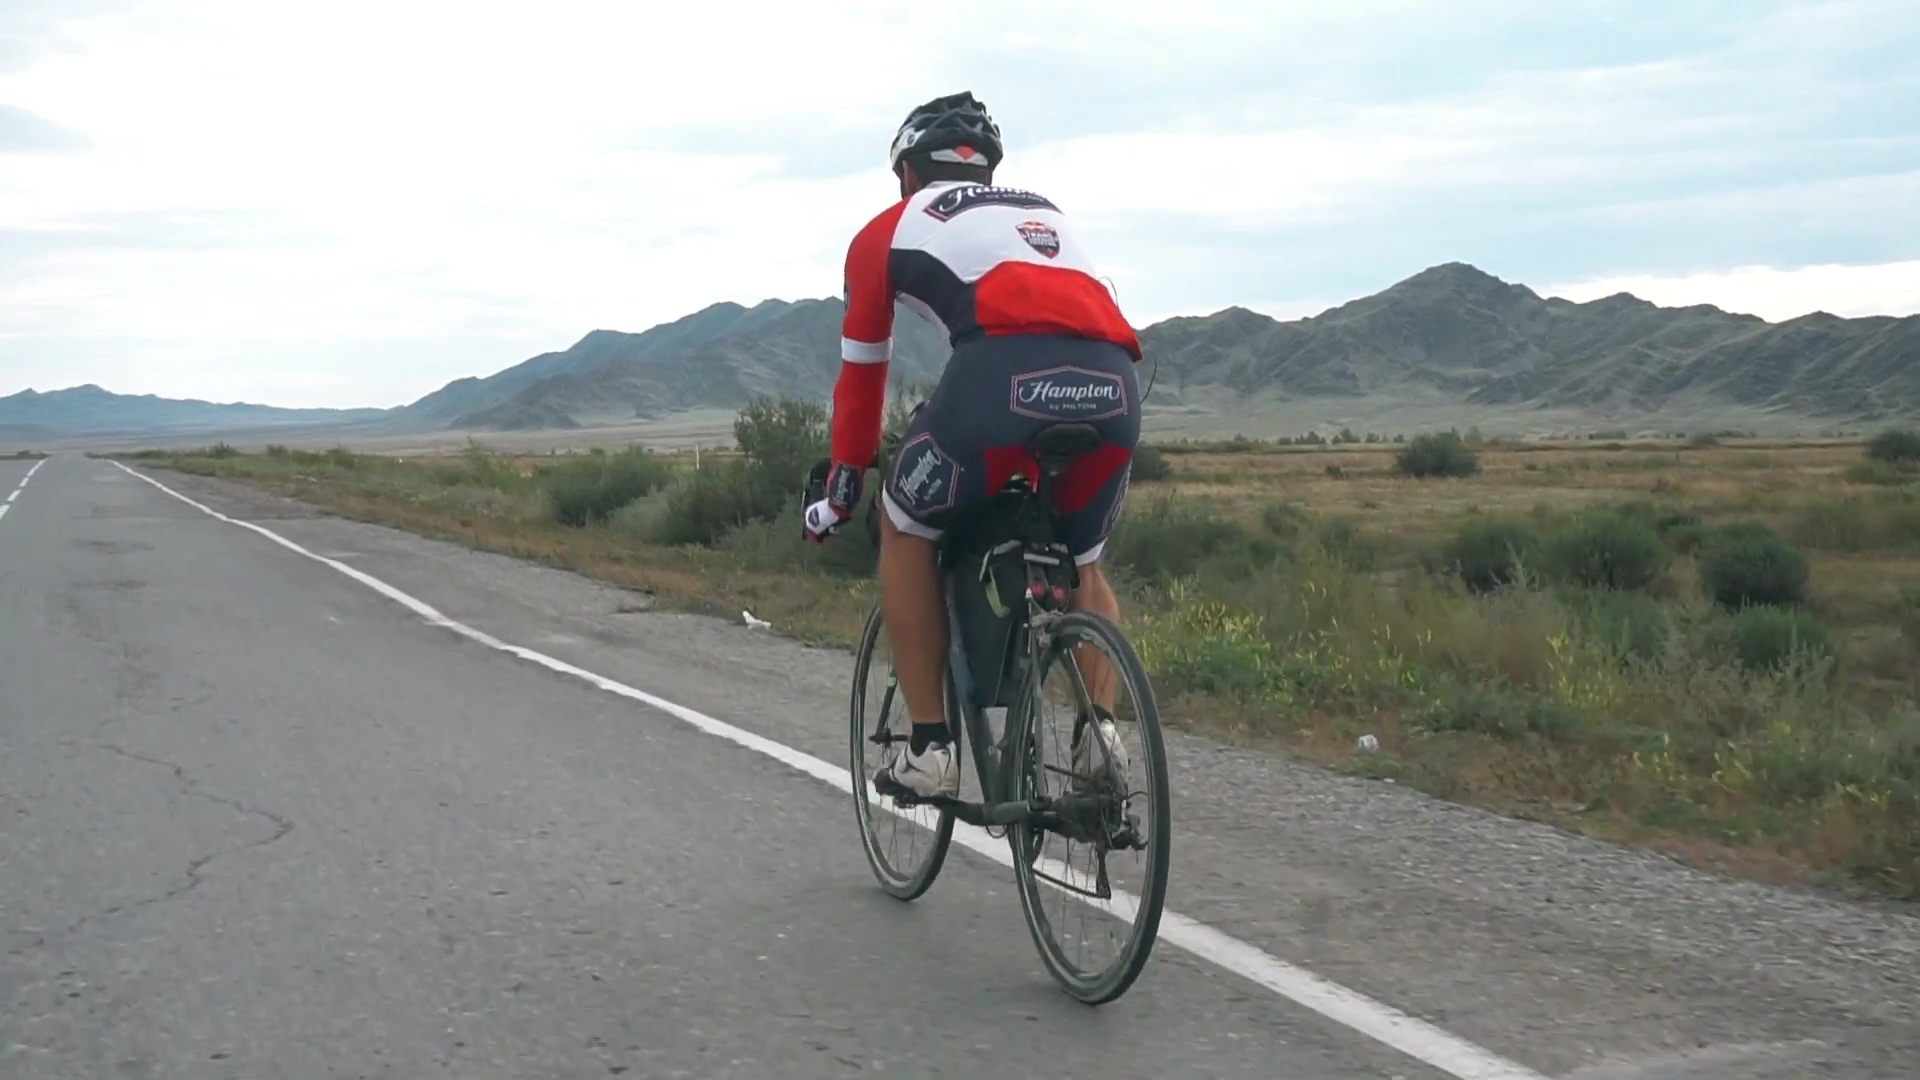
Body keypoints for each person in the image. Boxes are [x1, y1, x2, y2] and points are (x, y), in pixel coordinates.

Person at [802, 91, 1141, 800]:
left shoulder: (887, 230)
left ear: (906, 173)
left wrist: (841, 492)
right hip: (1114, 384)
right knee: (1084, 561)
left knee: (905, 524)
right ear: (986, 172)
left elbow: (862, 377)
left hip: (1000, 380)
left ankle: (930, 748)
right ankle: (1101, 737)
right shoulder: (1043, 212)